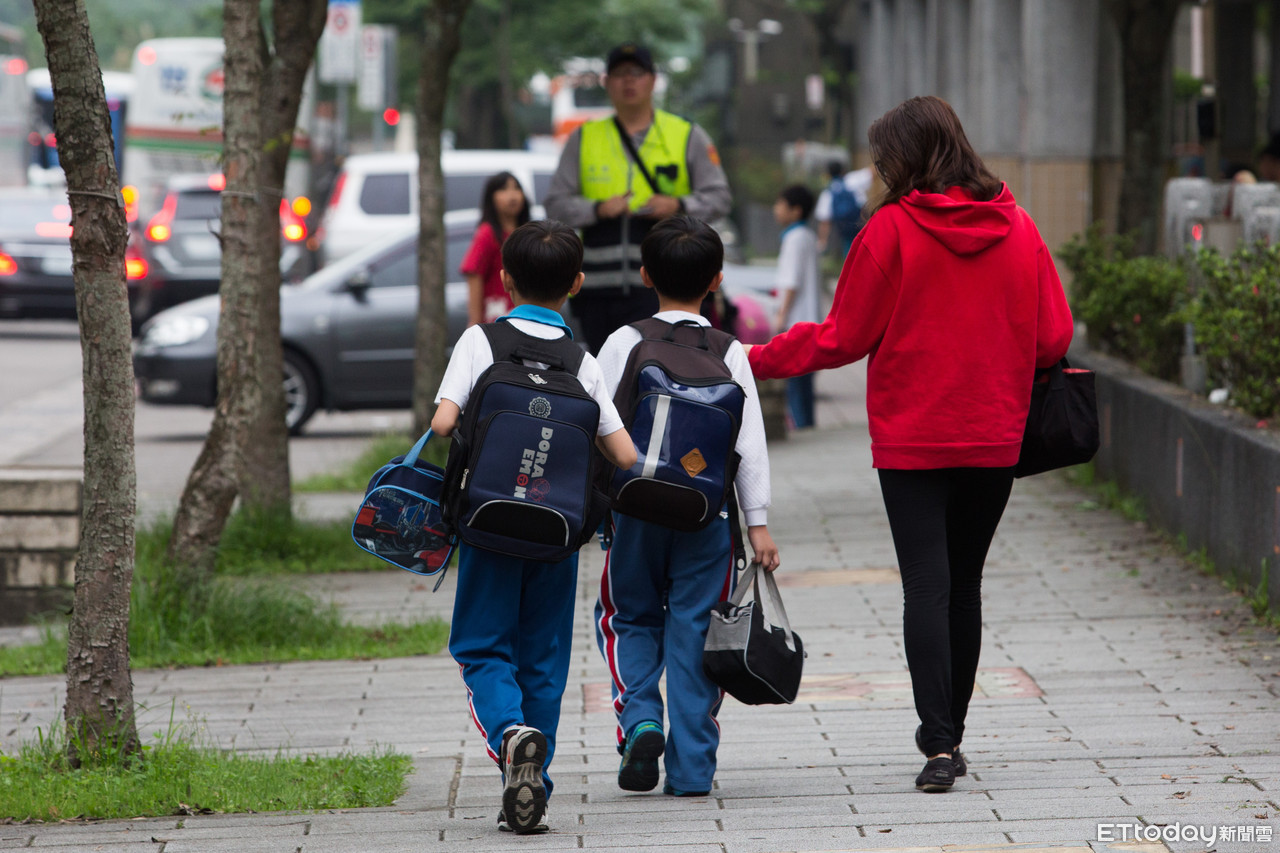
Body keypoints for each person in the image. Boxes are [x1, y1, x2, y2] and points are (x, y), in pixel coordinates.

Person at [744, 96, 1074, 793]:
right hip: (993, 433)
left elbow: (842, 337)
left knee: (926, 583)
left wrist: (751, 359)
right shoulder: (1019, 227)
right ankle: (952, 732)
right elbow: (1053, 338)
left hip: (913, 438)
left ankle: (939, 744)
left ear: (903, 158)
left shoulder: (890, 232)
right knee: (965, 586)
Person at [431, 220, 637, 834]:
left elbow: (443, 425)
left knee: (481, 647)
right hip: (557, 535)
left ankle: (508, 732)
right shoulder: (584, 360)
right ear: (576, 284)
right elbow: (623, 456)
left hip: (487, 525)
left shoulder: (479, 341)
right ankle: (535, 782)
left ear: (503, 279)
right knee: (544, 658)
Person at [593, 215, 780, 799]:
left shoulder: (624, 341)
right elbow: (749, 446)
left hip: (636, 513)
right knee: (699, 632)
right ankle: (693, 769)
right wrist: (759, 525)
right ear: (717, 279)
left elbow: (597, 426)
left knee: (629, 618)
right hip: (709, 521)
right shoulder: (730, 352)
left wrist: (593, 507)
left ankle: (641, 717)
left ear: (644, 274)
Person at [543, 42, 732, 354]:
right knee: (607, 380)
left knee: (664, 369)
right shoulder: (584, 138)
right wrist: (598, 209)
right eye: (618, 74)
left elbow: (721, 198)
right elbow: (555, 204)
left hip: (669, 286)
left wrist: (678, 206)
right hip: (597, 292)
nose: (628, 81)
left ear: (653, 80)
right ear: (606, 83)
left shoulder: (686, 134)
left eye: (636, 72)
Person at [771, 184, 821, 429]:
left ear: (796, 210)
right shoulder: (808, 236)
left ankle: (801, 426)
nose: (776, 209)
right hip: (811, 319)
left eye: (781, 204)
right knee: (805, 380)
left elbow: (791, 281)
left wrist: (781, 315)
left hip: (795, 320)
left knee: (794, 379)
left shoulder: (793, 238)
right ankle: (807, 424)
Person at [461, 171, 531, 326]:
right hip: (497, 317)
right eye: (504, 189)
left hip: (526, 317)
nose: (512, 196)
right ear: (491, 197)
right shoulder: (487, 234)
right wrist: (474, 322)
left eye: (516, 188)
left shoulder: (529, 233)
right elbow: (474, 275)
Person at [814, 159, 872, 261]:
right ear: (843, 171)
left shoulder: (828, 192)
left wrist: (822, 241)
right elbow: (872, 172)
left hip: (845, 230)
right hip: (863, 224)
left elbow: (825, 221)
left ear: (828, 174)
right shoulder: (853, 179)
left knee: (850, 255)